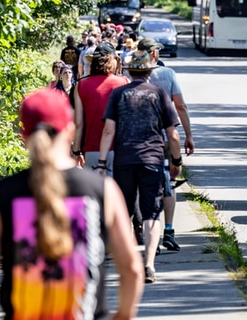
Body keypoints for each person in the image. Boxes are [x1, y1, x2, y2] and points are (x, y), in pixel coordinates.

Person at [0, 89, 144, 319]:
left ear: (23, 135)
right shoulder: (103, 190)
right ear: (70, 130)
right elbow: (131, 269)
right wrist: (123, 315)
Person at [97, 50, 182, 283]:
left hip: (125, 161)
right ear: (149, 71)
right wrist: (176, 161)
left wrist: (103, 162)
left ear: (129, 71)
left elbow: (108, 130)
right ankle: (149, 265)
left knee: (123, 213)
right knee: (151, 214)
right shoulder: (159, 94)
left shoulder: (117, 95)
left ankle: (128, 263)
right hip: (153, 161)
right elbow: (172, 134)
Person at [138, 37, 195, 251]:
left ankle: (146, 233)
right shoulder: (168, 74)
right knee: (169, 184)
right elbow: (180, 106)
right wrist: (188, 135)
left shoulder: (130, 74)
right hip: (166, 136)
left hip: (139, 138)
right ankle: (169, 231)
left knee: (143, 185)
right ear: (154, 53)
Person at [73, 42, 129, 174]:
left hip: (92, 149)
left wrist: (76, 151)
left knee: (93, 193)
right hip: (119, 149)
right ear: (112, 61)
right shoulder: (123, 82)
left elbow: (79, 124)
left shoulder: (81, 85)